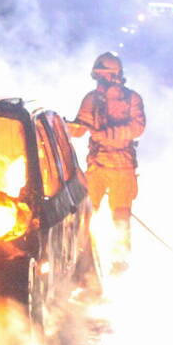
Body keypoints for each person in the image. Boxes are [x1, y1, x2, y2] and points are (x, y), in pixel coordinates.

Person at [68, 52, 146, 269]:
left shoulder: (132, 99)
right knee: (85, 212)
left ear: (115, 76)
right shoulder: (91, 100)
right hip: (97, 166)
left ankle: (120, 261)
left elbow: (137, 128)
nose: (99, 82)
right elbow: (81, 127)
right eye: (97, 77)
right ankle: (82, 259)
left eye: (103, 77)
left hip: (123, 167)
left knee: (120, 216)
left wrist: (108, 134)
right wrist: (67, 127)